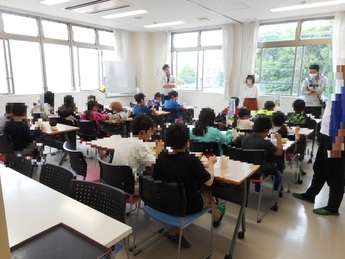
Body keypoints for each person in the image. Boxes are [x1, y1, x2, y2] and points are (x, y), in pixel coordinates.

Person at [154, 124, 226, 248]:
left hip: (164, 202)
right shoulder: (191, 160)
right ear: (187, 142)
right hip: (187, 206)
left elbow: (157, 173)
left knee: (179, 192)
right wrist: (211, 164)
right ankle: (217, 217)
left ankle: (179, 233)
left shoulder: (161, 158)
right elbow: (209, 182)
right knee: (208, 194)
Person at [292, 85, 345, 216]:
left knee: (335, 170)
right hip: (326, 132)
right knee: (320, 166)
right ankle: (310, 194)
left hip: (338, 135)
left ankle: (333, 207)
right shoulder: (336, 87)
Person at [112, 114, 164, 193]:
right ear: (142, 132)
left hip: (115, 183)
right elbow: (155, 167)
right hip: (131, 187)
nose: (151, 134)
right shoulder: (140, 145)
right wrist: (158, 150)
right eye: (150, 131)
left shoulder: (122, 141)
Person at [233, 116, 284, 191]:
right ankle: (278, 188)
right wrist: (279, 139)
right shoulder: (266, 143)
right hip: (260, 171)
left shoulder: (244, 137)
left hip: (245, 168)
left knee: (256, 159)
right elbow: (279, 153)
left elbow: (235, 140)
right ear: (266, 130)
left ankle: (258, 187)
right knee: (276, 168)